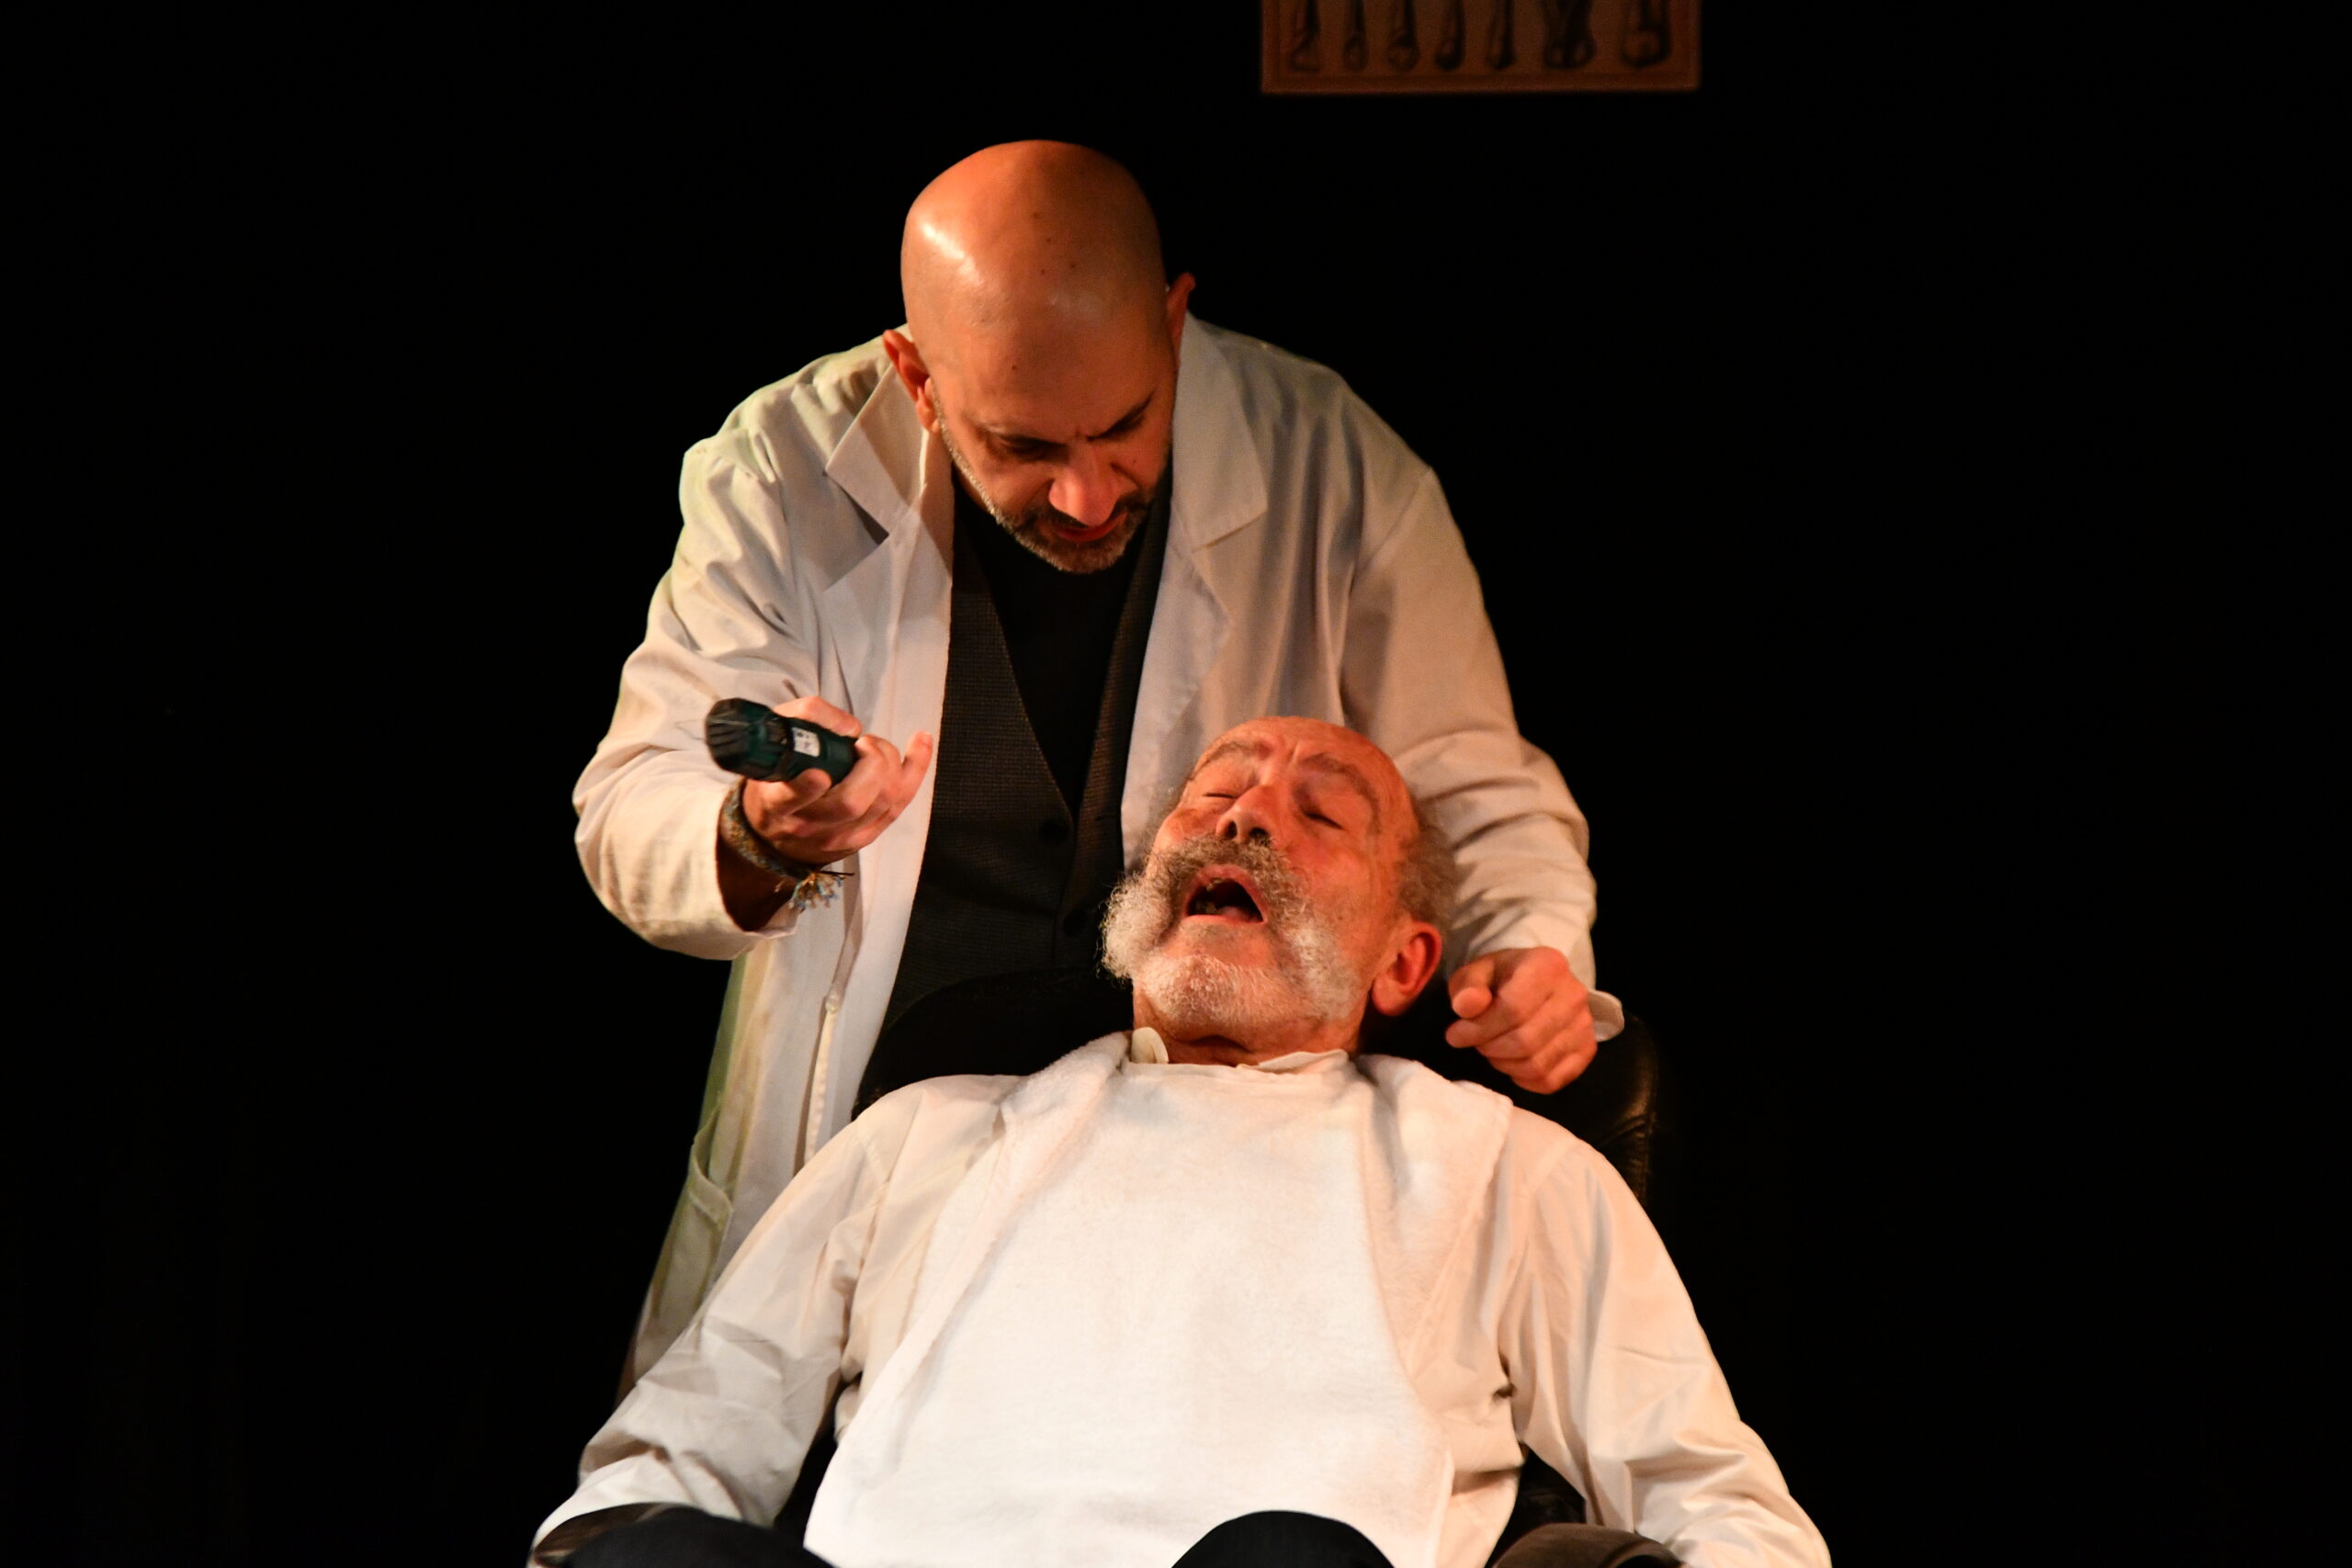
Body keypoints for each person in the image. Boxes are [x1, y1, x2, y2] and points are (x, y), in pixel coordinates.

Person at [575, 141, 1623, 1382]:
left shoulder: (1330, 462)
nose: (1083, 497)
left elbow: (1471, 789)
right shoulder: (781, 470)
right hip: (880, 1164)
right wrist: (756, 835)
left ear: (1175, 323)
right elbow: (635, 803)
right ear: (916, 376)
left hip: (1193, 1163)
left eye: (1125, 428)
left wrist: (1532, 954)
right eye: (1022, 446)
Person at [536, 719, 1826, 1568]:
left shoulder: (1509, 1165)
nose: (1246, 819)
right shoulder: (923, 1132)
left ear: (1404, 962)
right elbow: (679, 1449)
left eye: (1322, 815)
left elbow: (1717, 1504)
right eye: (1216, 791)